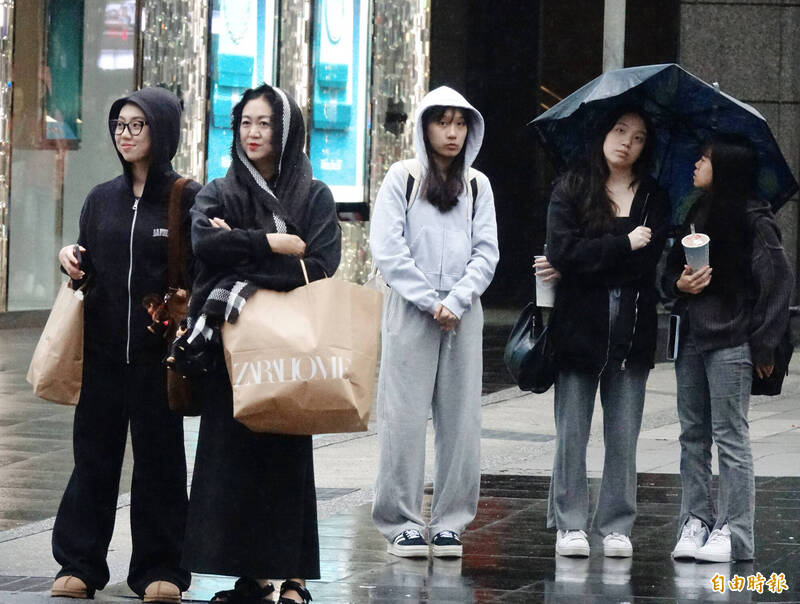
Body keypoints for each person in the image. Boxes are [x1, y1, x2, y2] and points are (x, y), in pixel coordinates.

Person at [178, 84, 341, 604]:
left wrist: (240, 257)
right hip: (233, 346)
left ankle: (293, 579)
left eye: (265, 123)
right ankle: (252, 577)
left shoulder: (312, 195)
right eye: (246, 122)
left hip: (291, 345)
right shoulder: (221, 190)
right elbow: (204, 242)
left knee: (286, 460)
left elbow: (320, 264)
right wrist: (271, 243)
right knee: (233, 458)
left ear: (286, 131)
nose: (253, 133)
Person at [52, 87, 200, 603]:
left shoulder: (187, 197)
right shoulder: (100, 198)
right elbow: (90, 264)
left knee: (160, 463)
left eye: (138, 125)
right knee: (93, 459)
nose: (126, 134)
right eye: (120, 125)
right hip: (103, 354)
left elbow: (199, 273)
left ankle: (161, 568)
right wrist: (71, 256)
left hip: (161, 360)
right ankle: (79, 563)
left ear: (162, 132)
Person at [370, 86, 499, 558]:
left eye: (460, 123)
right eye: (442, 122)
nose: (452, 132)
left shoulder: (478, 185)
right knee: (402, 418)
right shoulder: (401, 177)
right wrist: (429, 300)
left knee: (462, 420)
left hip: (463, 314)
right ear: (424, 126)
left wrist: (458, 299)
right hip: (410, 309)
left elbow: (487, 252)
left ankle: (450, 522)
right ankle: (400, 520)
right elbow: (387, 248)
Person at [544, 108, 669, 558]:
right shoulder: (573, 186)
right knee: (571, 431)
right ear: (603, 133)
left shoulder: (654, 196)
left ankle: (617, 525)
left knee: (624, 432)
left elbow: (643, 262)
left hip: (633, 325)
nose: (626, 143)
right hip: (579, 324)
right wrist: (621, 243)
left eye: (638, 137)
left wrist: (590, 258)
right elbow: (561, 251)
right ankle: (570, 524)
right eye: (619, 131)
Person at [663, 134, 793, 563]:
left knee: (730, 436)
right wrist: (680, 284)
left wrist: (764, 346)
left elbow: (778, 281)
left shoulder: (756, 219)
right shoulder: (696, 214)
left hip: (732, 339)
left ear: (728, 166)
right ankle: (695, 521)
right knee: (692, 435)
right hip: (692, 337)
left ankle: (734, 532)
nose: (697, 163)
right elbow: (669, 276)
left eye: (705, 157)